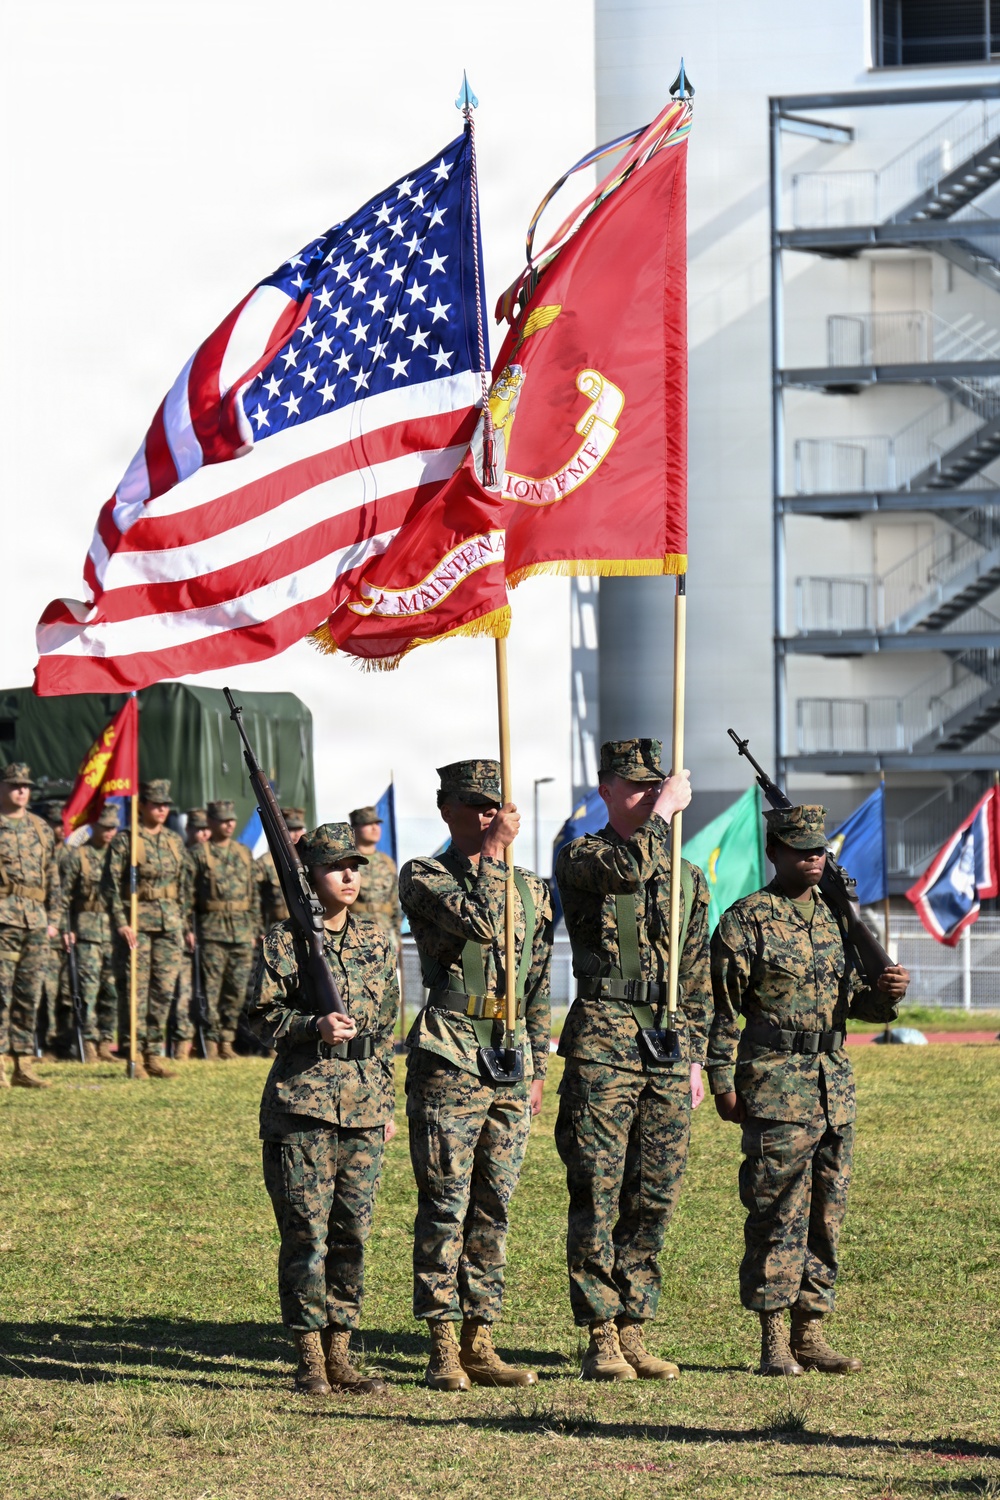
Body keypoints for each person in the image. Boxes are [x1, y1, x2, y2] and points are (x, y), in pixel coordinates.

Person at [708, 804, 910, 1378]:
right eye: (799, 849)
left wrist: (887, 993)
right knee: (776, 1212)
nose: (812, 858)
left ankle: (810, 1332)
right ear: (774, 852)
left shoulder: (838, 918)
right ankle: (774, 1338)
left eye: (818, 849)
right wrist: (722, 1081)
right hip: (775, 1085)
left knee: (827, 1213)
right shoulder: (747, 920)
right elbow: (719, 1009)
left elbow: (858, 1003)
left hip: (833, 1086)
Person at [554, 738, 710, 1382]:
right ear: (606, 790)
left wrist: (696, 1056)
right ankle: (600, 1332)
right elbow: (625, 871)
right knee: (598, 1186)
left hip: (666, 1044)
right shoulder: (583, 855)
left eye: (657, 785)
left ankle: (634, 1325)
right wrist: (664, 815)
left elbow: (695, 971)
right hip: (604, 1039)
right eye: (638, 785)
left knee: (654, 1192)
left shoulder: (688, 876)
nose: (650, 794)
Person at [399, 759, 552, 1392]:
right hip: (452, 1053)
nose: (491, 814)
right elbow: (481, 923)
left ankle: (480, 1337)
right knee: (446, 1203)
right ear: (447, 810)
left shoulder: (531, 887)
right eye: (477, 804)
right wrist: (491, 855)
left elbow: (536, 978)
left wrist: (538, 1063)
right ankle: (441, 1344)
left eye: (497, 804)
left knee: (494, 1204)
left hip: (510, 1057)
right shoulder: (425, 875)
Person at [246, 822, 399, 1396]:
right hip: (302, 1103)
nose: (349, 876)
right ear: (309, 877)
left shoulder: (377, 940)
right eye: (336, 867)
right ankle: (309, 1356)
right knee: (305, 1233)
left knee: (351, 1232)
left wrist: (385, 1101)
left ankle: (342, 1354)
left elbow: (386, 1028)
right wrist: (312, 1025)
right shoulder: (282, 941)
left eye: (354, 867)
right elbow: (259, 1017)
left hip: (364, 1104)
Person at [102, 778, 189, 1079]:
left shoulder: (174, 841)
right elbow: (110, 886)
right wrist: (122, 923)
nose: (162, 809)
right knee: (135, 992)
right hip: (137, 924)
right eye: (156, 804)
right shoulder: (126, 840)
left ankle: (153, 1053)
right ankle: (134, 1053)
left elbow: (184, 885)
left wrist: (182, 920)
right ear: (143, 806)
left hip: (169, 924)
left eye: (165, 805)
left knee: (163, 991)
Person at [186, 799, 263, 1060]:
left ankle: (227, 1041)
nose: (229, 825)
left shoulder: (243, 853)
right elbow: (187, 896)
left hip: (241, 933)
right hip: (211, 932)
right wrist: (188, 928)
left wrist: (255, 928)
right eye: (223, 820)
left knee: (236, 990)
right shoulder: (199, 854)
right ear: (211, 822)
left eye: (231, 820)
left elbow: (253, 895)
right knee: (211, 991)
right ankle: (210, 1042)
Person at [0, 763, 60, 1089]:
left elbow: (53, 876)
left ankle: (23, 1065)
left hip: (35, 921)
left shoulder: (41, 828)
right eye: (14, 784)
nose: (22, 790)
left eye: (26, 785)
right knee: (1, 993)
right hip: (3, 920)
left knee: (29, 993)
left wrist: (55, 919)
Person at [58, 806, 120, 1062]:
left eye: (113, 827)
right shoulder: (78, 856)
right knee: (88, 991)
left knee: (112, 990)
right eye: (105, 827)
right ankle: (88, 1042)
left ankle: (106, 1041)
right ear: (94, 826)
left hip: (114, 932)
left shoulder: (119, 856)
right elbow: (64, 897)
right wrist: (65, 928)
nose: (109, 832)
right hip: (86, 931)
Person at [350, 806, 401, 952]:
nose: (375, 828)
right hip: (355, 935)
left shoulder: (387, 862)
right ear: (354, 829)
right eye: (368, 824)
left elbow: (394, 902)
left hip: (385, 934)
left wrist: (396, 936)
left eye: (377, 824)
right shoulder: (347, 862)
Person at [257, 808, 307, 930]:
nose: (296, 834)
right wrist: (258, 929)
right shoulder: (266, 862)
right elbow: (254, 898)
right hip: (277, 927)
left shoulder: (312, 860)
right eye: (290, 830)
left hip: (307, 925)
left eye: (299, 829)